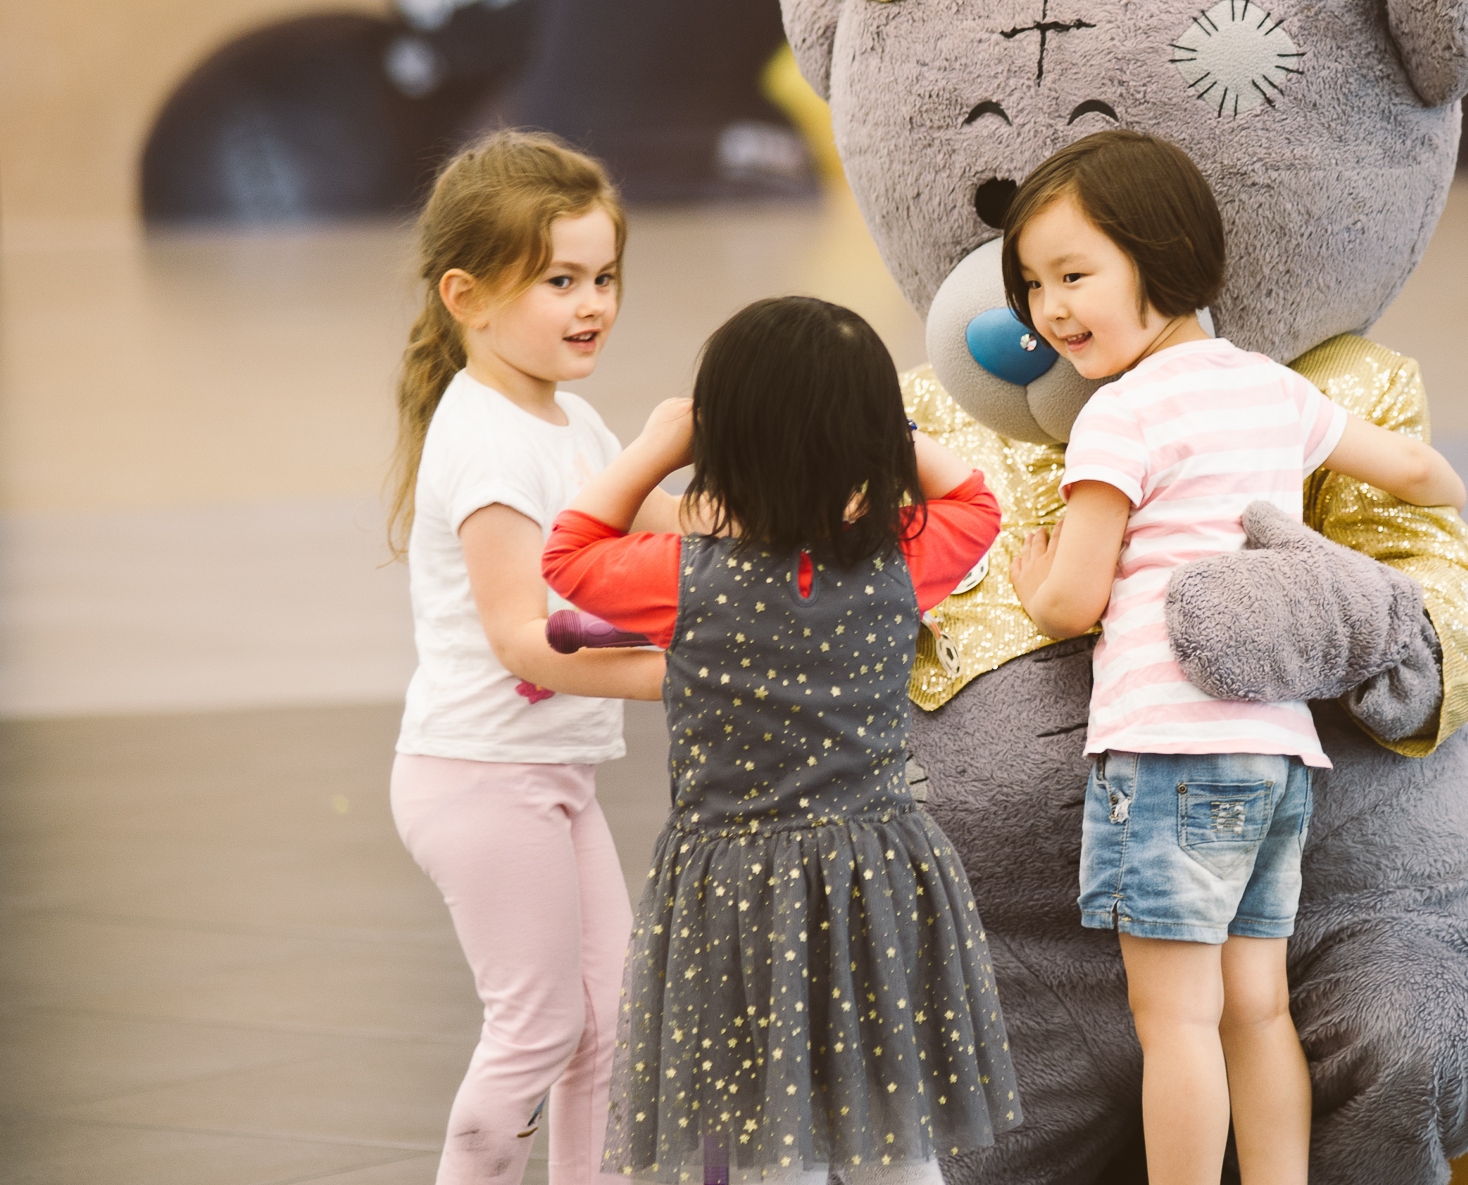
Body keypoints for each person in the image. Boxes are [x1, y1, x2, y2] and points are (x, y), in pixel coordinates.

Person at [1000, 131, 1468, 1185]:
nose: (1050, 309)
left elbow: (1073, 600)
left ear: (1161, 256)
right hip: (1273, 754)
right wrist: (1441, 487)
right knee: (1256, 1008)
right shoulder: (1269, 390)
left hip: (1167, 753)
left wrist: (1034, 581)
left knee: (1174, 1019)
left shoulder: (1117, 414)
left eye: (1074, 274)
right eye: (1032, 284)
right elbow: (1416, 469)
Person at [540, 296, 1021, 1184]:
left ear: (718, 442)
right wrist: (893, 436)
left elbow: (568, 551)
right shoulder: (901, 557)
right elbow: (978, 500)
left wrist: (658, 446)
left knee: (772, 1139)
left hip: (740, 893)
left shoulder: (683, 577)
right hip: (877, 874)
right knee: (894, 1131)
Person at [384, 129, 675, 1185]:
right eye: (560, 280)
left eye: (604, 276)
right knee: (539, 1024)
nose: (592, 303)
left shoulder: (570, 418)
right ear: (467, 295)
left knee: (611, 1020)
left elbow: (664, 528)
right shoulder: (490, 444)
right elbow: (524, 637)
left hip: (548, 772)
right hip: (480, 776)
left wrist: (803, 509)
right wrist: (682, 675)